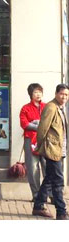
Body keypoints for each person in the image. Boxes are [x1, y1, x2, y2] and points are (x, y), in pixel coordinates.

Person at [32, 84, 69, 220]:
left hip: (60, 149)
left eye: (66, 95)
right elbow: (42, 129)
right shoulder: (51, 107)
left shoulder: (61, 108)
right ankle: (61, 211)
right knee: (58, 180)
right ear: (56, 94)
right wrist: (41, 146)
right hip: (52, 149)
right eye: (62, 94)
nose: (64, 97)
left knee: (49, 178)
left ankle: (38, 206)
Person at [19, 83, 47, 201]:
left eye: (40, 92)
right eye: (36, 92)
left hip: (45, 140)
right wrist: (39, 126)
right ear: (31, 94)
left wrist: (35, 123)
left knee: (47, 167)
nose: (38, 94)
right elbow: (24, 124)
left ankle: (51, 195)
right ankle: (36, 195)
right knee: (33, 168)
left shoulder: (47, 107)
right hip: (30, 140)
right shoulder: (25, 108)